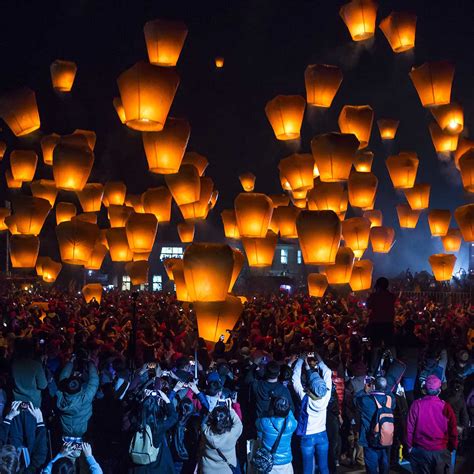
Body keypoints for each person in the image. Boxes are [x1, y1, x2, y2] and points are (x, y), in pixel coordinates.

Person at [407, 375, 458, 474]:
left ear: (425, 390)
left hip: (420, 451)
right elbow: (453, 430)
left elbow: (409, 428)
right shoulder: (446, 407)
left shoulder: (417, 405)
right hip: (441, 451)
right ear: (439, 390)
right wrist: (452, 447)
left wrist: (409, 447)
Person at [292, 354, 332, 474]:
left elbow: (295, 379)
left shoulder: (305, 397)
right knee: (324, 467)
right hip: (322, 435)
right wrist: (319, 358)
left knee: (308, 469)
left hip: (307, 436)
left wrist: (300, 360)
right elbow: (328, 372)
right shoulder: (326, 396)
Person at [129, 389, 178, 473]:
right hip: (155, 466)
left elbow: (132, 414)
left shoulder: (135, 423)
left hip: (138, 467)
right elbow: (174, 417)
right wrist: (167, 400)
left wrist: (143, 399)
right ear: (156, 409)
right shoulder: (158, 426)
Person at [354, 376, 395, 474]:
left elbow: (355, 399)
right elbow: (390, 393)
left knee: (371, 467)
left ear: (373, 386)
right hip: (385, 438)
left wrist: (365, 390)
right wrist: (383, 386)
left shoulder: (365, 400)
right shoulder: (390, 400)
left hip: (369, 439)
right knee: (384, 465)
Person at [56, 356, 100, 439]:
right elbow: (94, 380)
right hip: (83, 432)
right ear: (81, 388)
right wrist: (90, 363)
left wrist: (71, 362)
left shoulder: (60, 395)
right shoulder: (85, 397)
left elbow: (63, 377)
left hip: (65, 430)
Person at [255, 397, 297, 473]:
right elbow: (291, 414)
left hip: (269, 464)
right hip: (285, 464)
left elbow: (257, 423)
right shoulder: (292, 424)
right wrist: (285, 408)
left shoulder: (264, 422)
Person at [200, 405, 243, 473]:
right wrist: (230, 410)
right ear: (228, 419)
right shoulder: (232, 434)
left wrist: (211, 412)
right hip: (226, 470)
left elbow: (203, 422)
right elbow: (238, 423)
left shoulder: (205, 432)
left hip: (208, 470)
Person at [366, 278, 396, 374]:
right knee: (391, 345)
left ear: (377, 286)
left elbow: (368, 306)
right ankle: (395, 366)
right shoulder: (391, 296)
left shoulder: (374, 296)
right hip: (388, 324)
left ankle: (372, 369)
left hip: (376, 324)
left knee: (375, 347)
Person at [11, 339, 48, 408]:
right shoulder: (36, 365)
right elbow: (43, 385)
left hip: (17, 403)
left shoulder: (13, 364)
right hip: (33, 403)